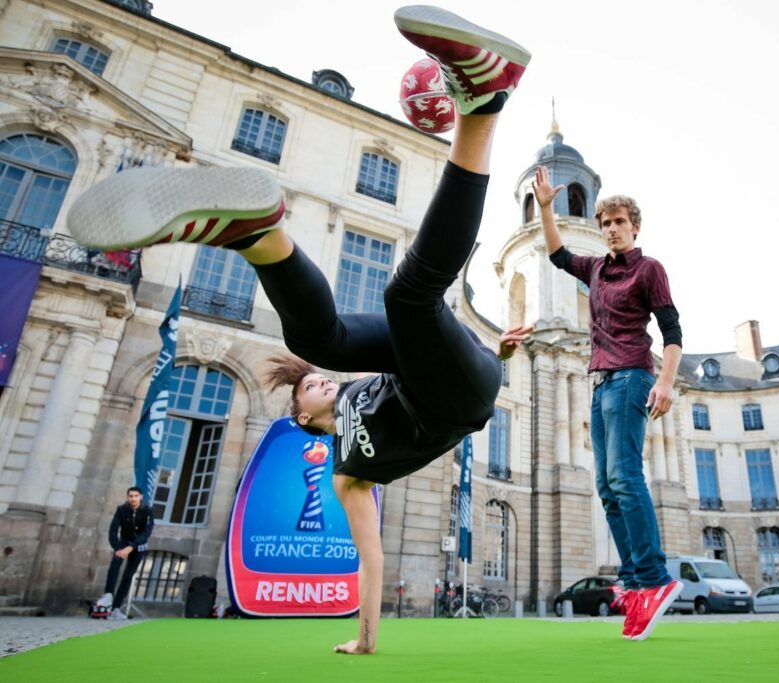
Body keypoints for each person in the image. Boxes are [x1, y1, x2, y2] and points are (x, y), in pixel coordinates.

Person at [68, 5, 531, 654]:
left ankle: (261, 235)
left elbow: (358, 356)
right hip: (458, 398)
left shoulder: (349, 391)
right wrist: (365, 639)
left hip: (429, 370)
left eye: (316, 385)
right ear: (303, 419)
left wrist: (497, 345)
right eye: (309, 391)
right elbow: (370, 559)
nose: (316, 384)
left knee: (326, 338)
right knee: (408, 297)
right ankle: (482, 106)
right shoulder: (348, 472)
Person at [533, 166, 684, 641]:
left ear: (634, 227)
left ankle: (655, 579)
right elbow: (558, 256)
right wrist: (544, 208)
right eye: (606, 223)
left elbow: (672, 331)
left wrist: (664, 382)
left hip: (632, 377)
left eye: (619, 221)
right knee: (604, 485)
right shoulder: (596, 269)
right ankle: (636, 584)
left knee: (624, 474)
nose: (612, 229)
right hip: (598, 383)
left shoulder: (648, 269)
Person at [97, 486, 154, 620]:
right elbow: (113, 530)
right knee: (115, 565)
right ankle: (108, 595)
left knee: (128, 576)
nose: (133, 498)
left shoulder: (147, 511)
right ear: (127, 497)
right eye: (130, 496)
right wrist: (117, 548)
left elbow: (147, 532)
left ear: (140, 497)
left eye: (135, 496)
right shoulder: (122, 510)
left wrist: (132, 547)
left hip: (139, 545)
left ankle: (116, 608)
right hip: (123, 542)